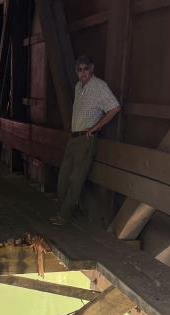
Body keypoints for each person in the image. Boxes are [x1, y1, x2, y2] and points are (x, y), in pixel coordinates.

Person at [50, 55, 120, 225]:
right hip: (73, 137)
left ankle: (64, 216)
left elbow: (115, 108)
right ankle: (64, 210)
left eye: (86, 69)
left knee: (76, 179)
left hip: (86, 139)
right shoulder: (77, 87)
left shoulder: (99, 86)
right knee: (63, 177)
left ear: (92, 68)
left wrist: (96, 127)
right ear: (76, 71)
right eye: (79, 70)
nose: (83, 73)